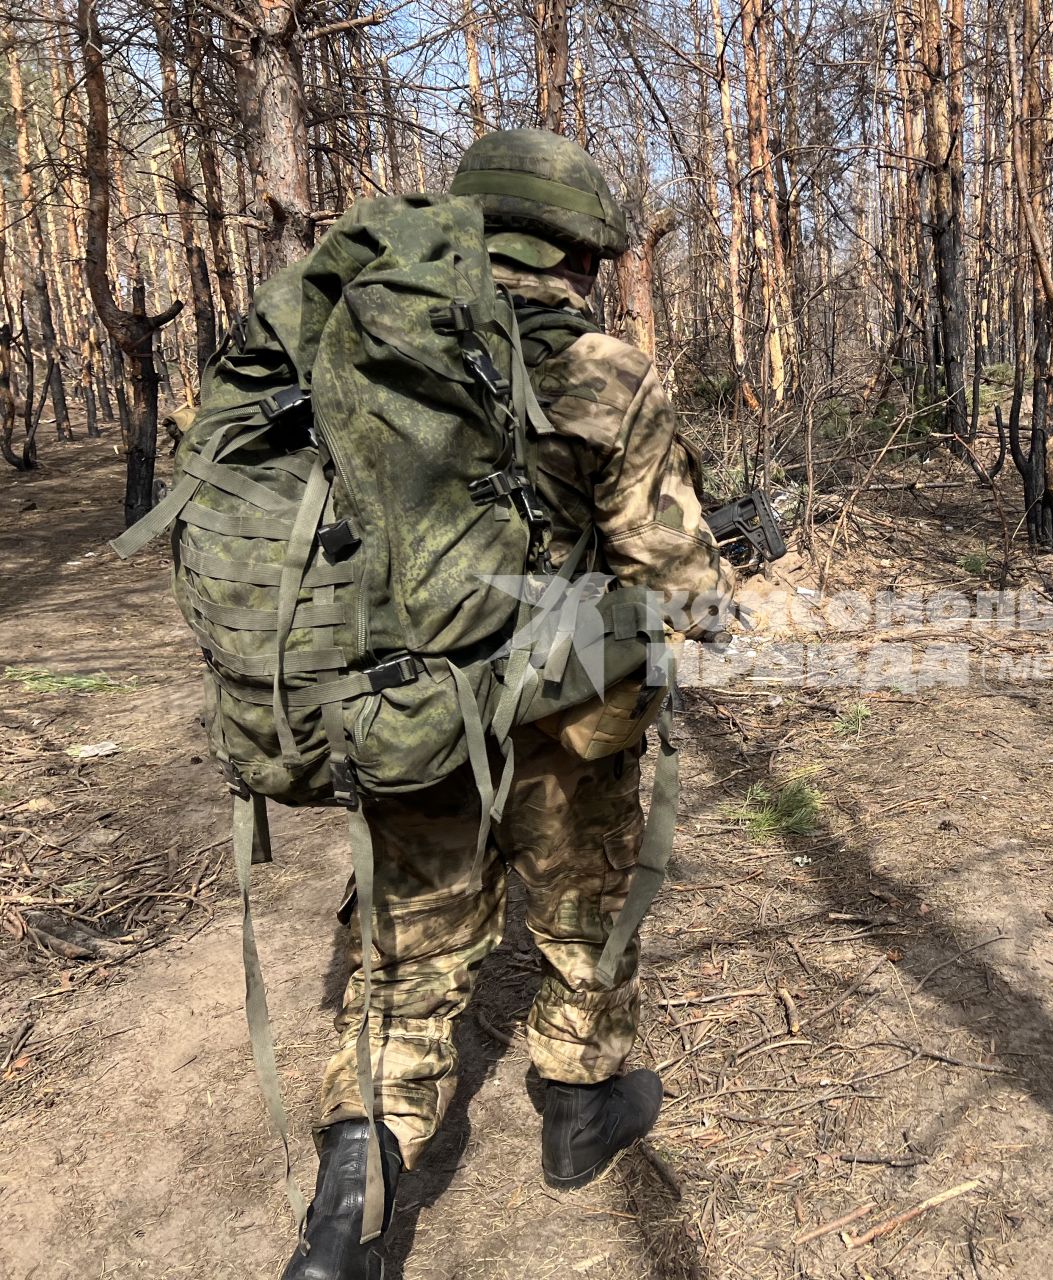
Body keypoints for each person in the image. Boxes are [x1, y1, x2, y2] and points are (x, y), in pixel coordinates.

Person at [284, 129, 736, 1279]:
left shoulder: (371, 350)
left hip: (406, 707)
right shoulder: (598, 367)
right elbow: (679, 584)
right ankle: (581, 1114)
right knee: (585, 913)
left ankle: (348, 1215)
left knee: (407, 955)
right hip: (559, 726)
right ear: (577, 243)